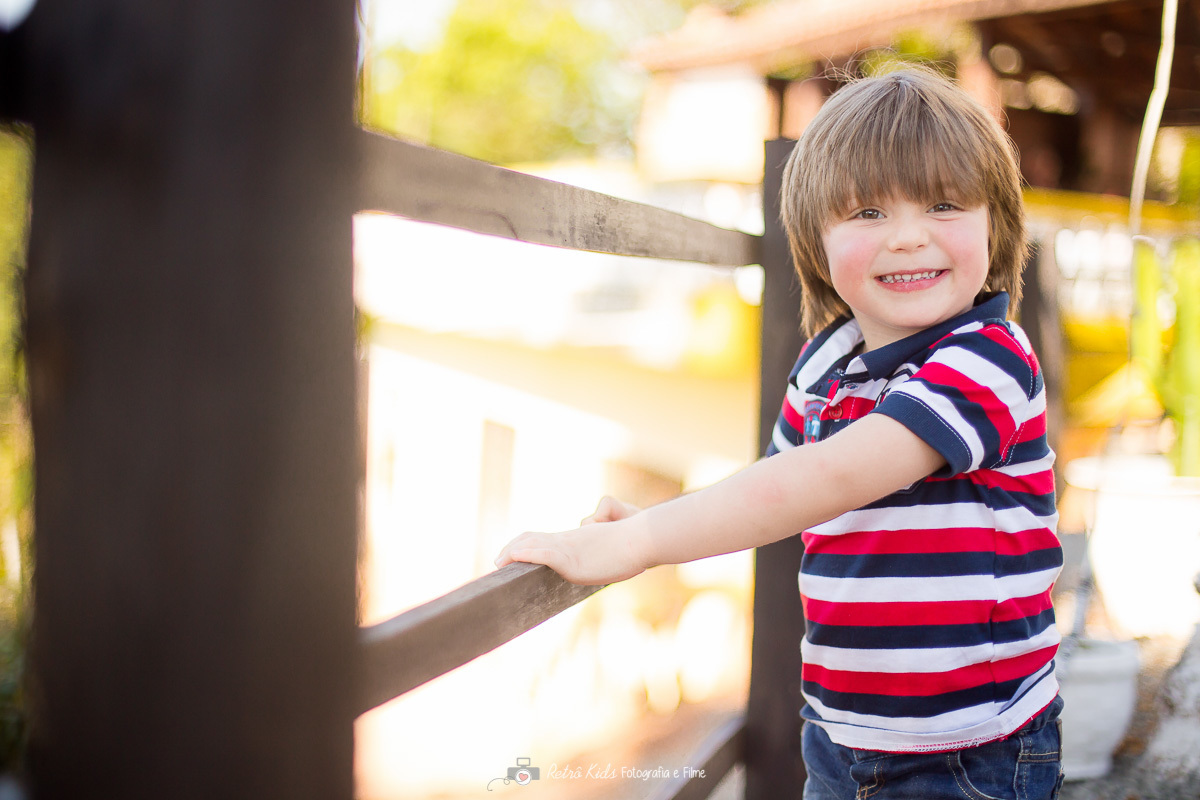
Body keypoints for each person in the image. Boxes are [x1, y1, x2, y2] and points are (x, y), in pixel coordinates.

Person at [496, 67, 1064, 800]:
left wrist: (639, 545)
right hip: (836, 733)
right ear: (815, 237)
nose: (908, 236)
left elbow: (826, 478)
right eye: (866, 213)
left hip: (968, 747)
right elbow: (770, 491)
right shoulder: (826, 362)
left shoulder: (990, 358)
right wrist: (656, 521)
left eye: (945, 203)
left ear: (997, 222)